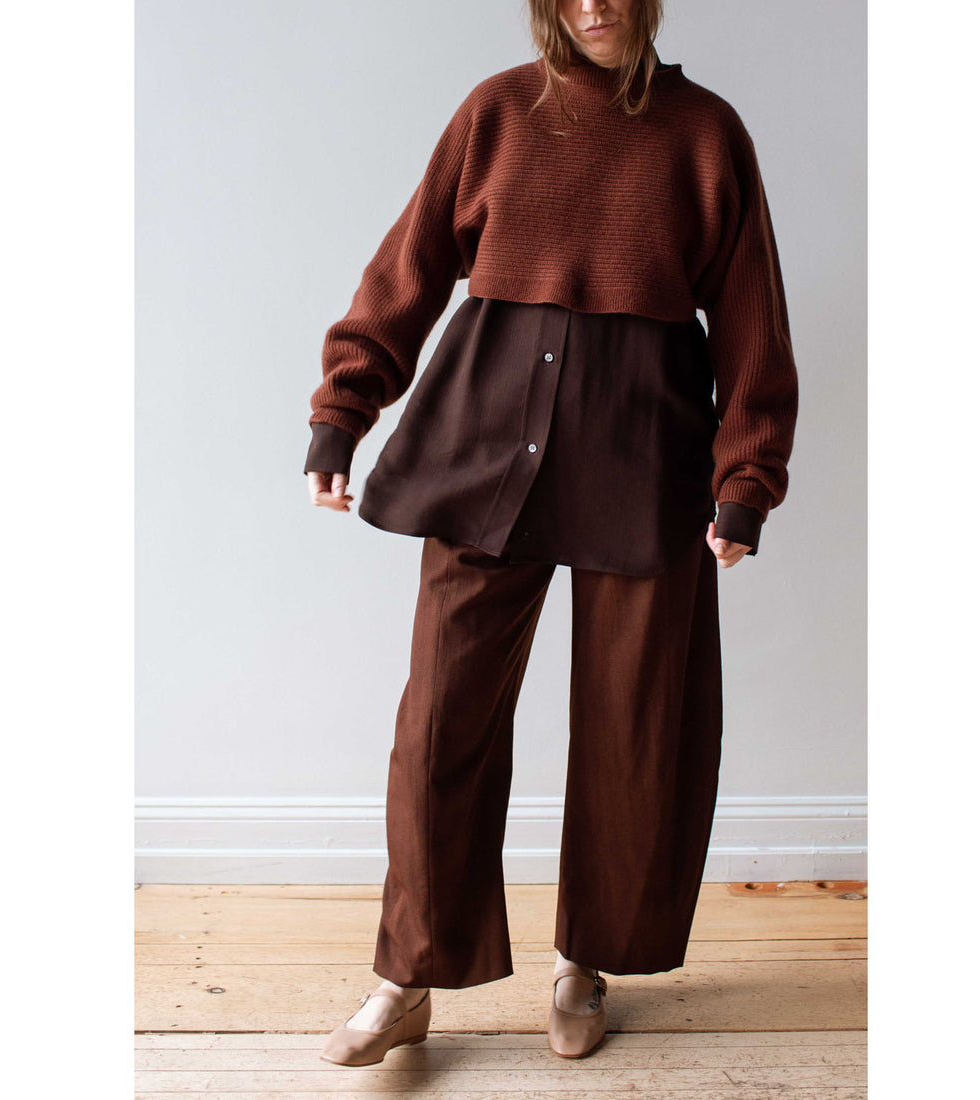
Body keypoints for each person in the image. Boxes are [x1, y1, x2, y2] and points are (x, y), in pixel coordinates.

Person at [305, 0, 799, 1065]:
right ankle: (408, 974)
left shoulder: (705, 133)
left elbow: (752, 318)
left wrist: (745, 480)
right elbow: (408, 267)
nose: (593, 5)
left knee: (636, 725)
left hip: (645, 453)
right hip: (487, 444)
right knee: (440, 719)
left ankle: (587, 961)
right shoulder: (496, 113)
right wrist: (343, 411)